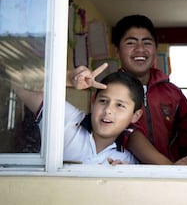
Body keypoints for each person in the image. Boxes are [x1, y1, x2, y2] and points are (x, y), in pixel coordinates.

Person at [14, 70, 144, 165]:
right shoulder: (66, 118)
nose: (108, 110)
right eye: (103, 101)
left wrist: (123, 176)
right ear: (93, 101)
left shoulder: (127, 162)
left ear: (135, 116)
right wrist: (67, 78)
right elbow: (14, 79)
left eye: (120, 105)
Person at [111, 14, 187, 164]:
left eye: (147, 43)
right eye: (131, 43)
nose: (140, 49)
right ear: (117, 50)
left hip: (170, 176)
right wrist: (169, 169)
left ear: (155, 48)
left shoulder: (173, 93)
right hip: (124, 173)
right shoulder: (108, 90)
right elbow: (125, 133)